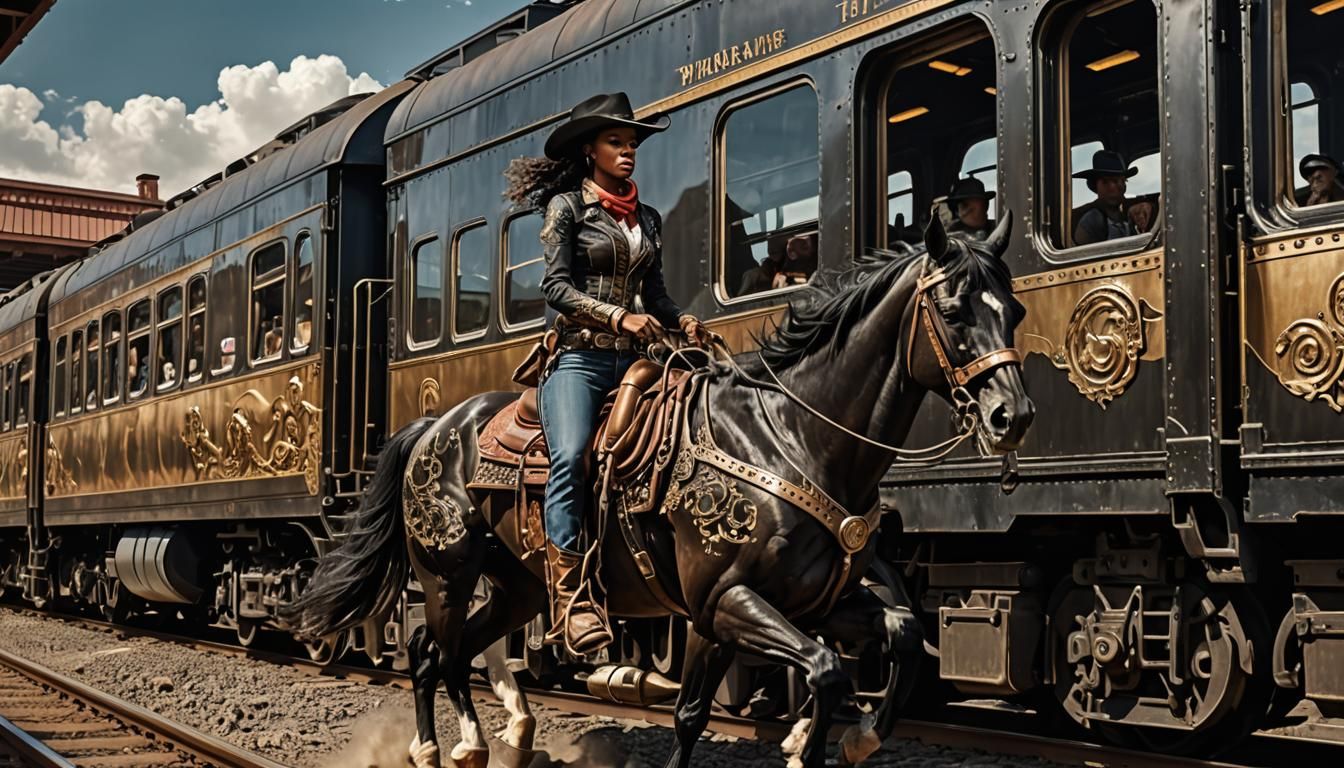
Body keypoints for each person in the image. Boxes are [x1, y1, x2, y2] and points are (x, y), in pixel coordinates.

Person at [504, 92, 706, 655]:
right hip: (580, 361)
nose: (628, 152)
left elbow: (658, 295)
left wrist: (681, 321)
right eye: (617, 142)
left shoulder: (648, 217)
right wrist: (619, 314)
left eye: (633, 143)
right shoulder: (567, 209)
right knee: (570, 456)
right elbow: (555, 288)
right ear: (590, 149)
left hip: (638, 362)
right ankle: (570, 599)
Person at [1073, 150, 1139, 246]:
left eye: (1123, 181)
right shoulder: (1093, 219)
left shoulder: (1127, 217)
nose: (1116, 186)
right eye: (1106, 182)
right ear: (1096, 186)